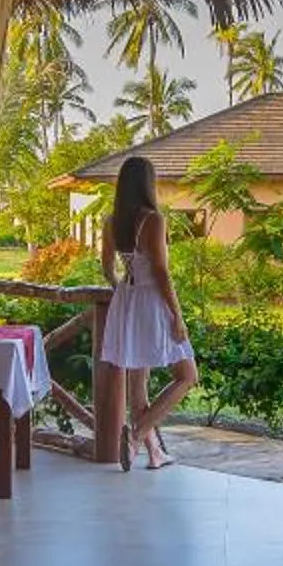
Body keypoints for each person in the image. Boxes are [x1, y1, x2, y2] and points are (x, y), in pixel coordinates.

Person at [98, 153, 197, 470]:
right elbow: (161, 272)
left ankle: (155, 454)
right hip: (152, 301)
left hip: (127, 299)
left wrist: (121, 288)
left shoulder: (112, 222)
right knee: (187, 376)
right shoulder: (152, 219)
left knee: (138, 382)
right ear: (146, 184)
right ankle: (137, 433)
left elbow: (106, 268)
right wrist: (178, 316)